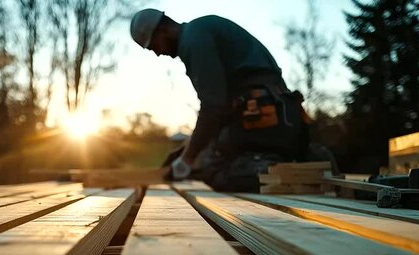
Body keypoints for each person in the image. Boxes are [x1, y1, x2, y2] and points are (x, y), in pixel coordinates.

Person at [130, 9, 332, 192]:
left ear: (162, 30)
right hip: (284, 119)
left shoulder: (193, 40)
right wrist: (184, 150)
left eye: (152, 46)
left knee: (213, 170)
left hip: (263, 122)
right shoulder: (200, 30)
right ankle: (306, 156)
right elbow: (221, 107)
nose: (157, 53)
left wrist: (188, 159)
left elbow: (213, 108)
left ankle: (273, 169)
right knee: (211, 155)